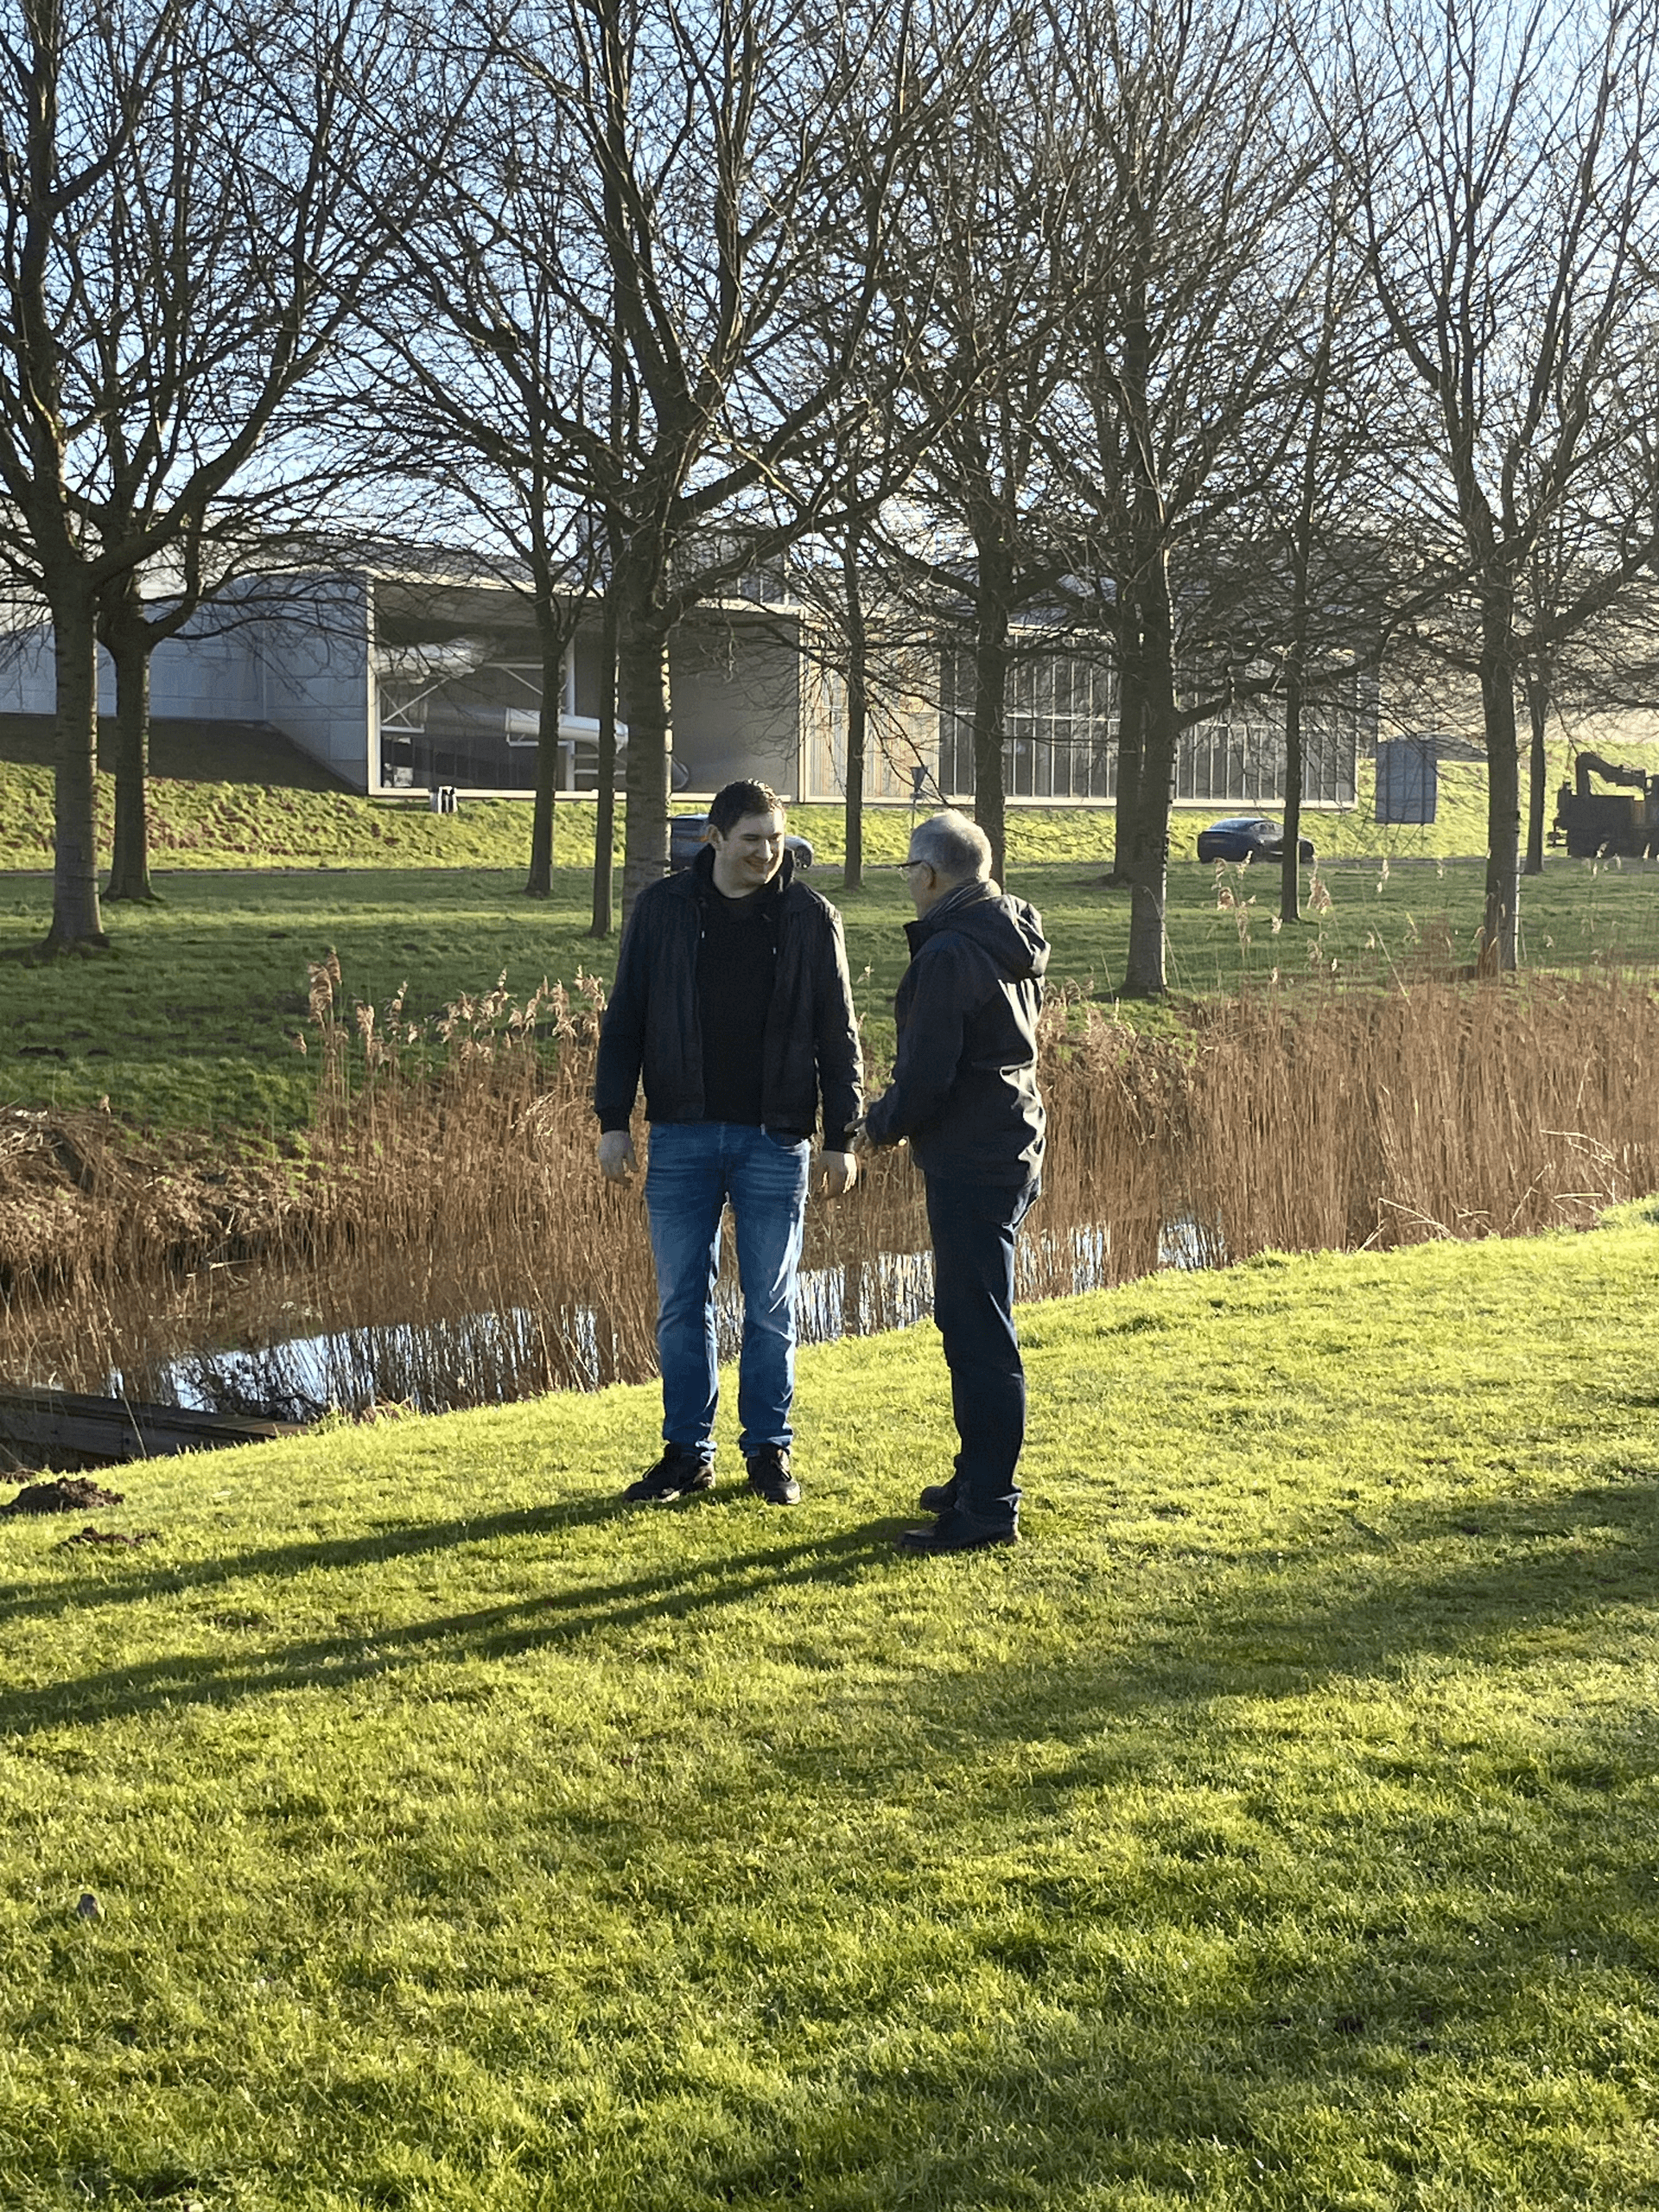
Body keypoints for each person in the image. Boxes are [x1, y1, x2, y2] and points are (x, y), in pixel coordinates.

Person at [594, 779, 861, 1506]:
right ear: (713, 838)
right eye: (753, 840)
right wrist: (613, 1119)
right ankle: (686, 1454)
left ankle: (768, 1454)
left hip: (776, 1138)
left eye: (776, 839)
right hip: (679, 1133)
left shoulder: (811, 918)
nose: (768, 853)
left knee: (771, 1303)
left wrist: (842, 1134)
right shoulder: (661, 911)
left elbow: (839, 1032)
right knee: (683, 1302)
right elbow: (625, 1019)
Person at [861, 810, 1047, 1552]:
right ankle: (975, 1476)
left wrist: (875, 1125)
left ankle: (988, 1508)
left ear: (930, 875)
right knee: (972, 1321)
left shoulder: (947, 954)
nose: (908, 883)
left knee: (978, 1334)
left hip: (974, 1158)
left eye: (909, 870)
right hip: (1012, 1143)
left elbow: (926, 1077)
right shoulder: (1009, 933)